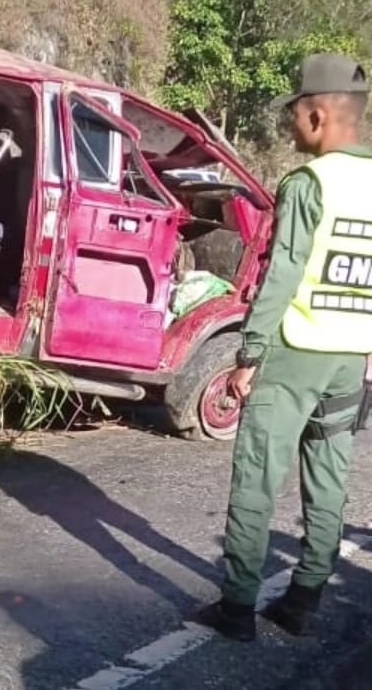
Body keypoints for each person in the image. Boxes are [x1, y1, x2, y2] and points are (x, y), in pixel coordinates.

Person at [197, 53, 372, 643]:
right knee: (329, 477)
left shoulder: (308, 184)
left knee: (257, 476)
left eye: (296, 112)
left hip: (295, 350)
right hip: (352, 357)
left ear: (319, 116)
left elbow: (282, 275)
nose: (291, 125)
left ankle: (239, 607)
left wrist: (249, 354)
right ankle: (303, 600)